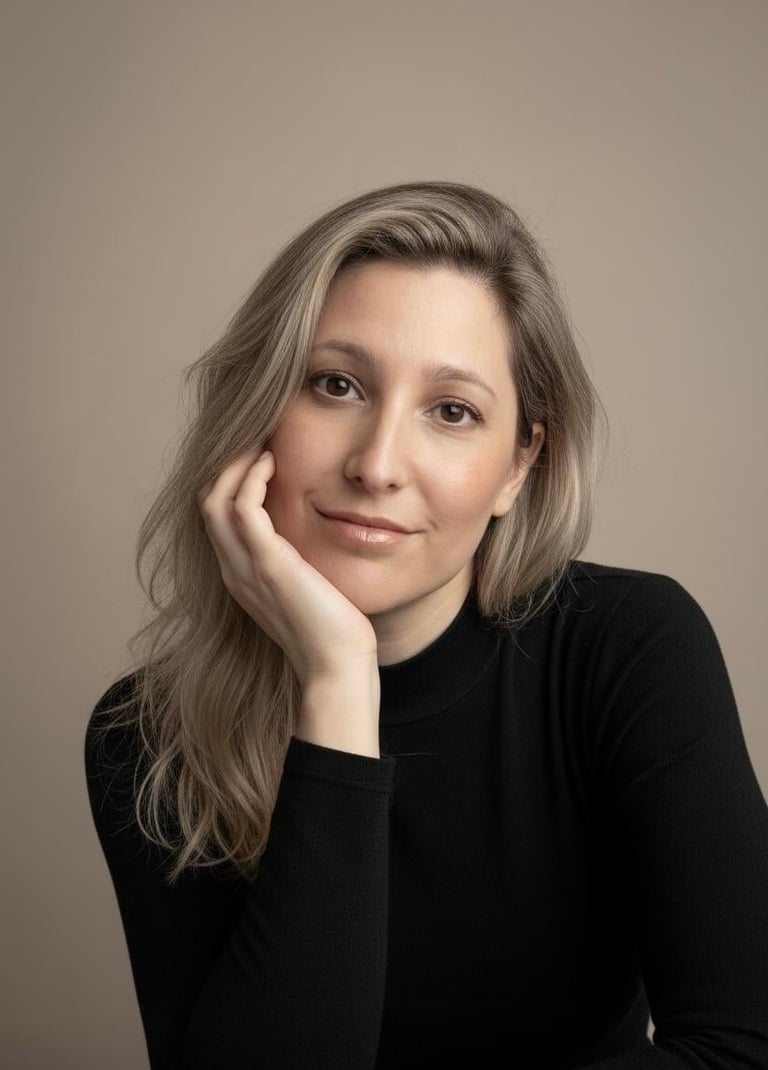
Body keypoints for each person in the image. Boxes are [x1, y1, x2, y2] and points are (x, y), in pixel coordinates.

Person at [85, 180, 768, 1069]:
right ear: (256, 411)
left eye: (452, 411)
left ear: (519, 464)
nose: (376, 465)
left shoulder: (627, 647)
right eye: (335, 385)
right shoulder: (148, 739)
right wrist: (336, 686)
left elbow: (743, 1048)